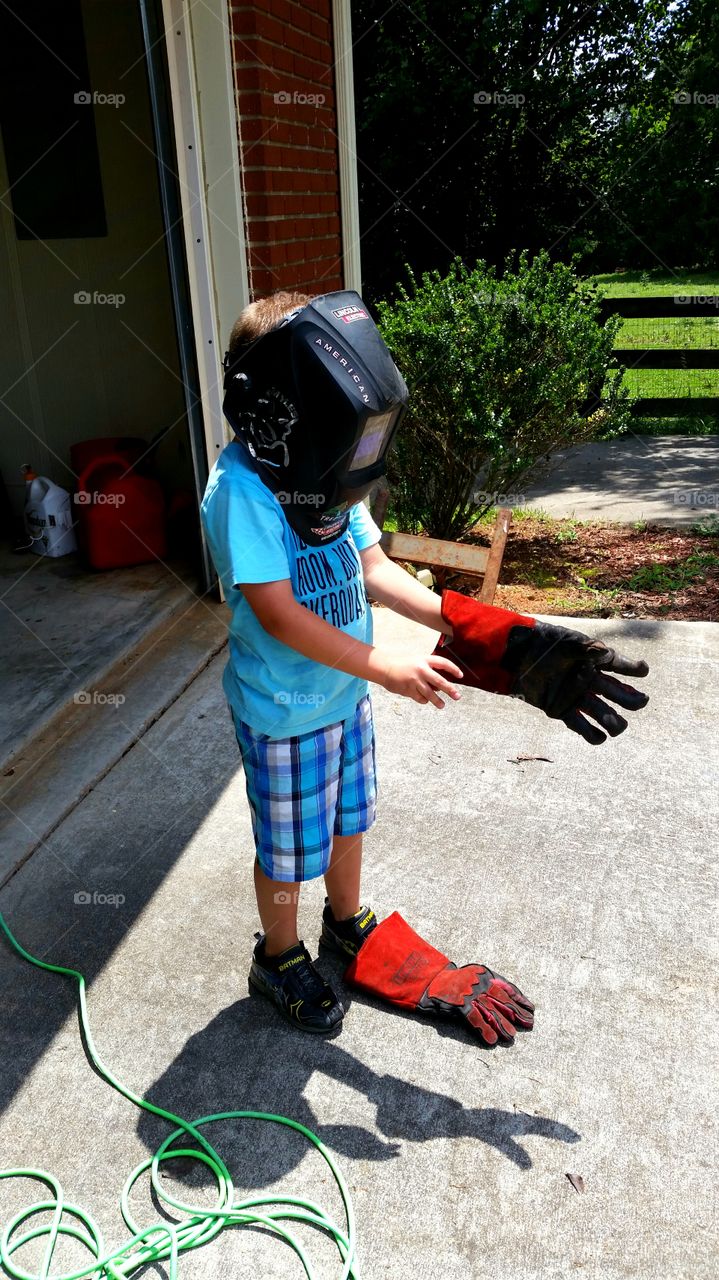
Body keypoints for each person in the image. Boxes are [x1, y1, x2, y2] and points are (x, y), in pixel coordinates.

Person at [200, 288, 649, 1045]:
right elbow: (277, 612)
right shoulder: (244, 489)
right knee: (285, 855)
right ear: (272, 410)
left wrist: (465, 622)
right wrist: (384, 665)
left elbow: (370, 566)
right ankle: (278, 955)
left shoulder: (328, 462)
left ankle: (345, 925)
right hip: (282, 710)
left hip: (341, 697)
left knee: (348, 825)